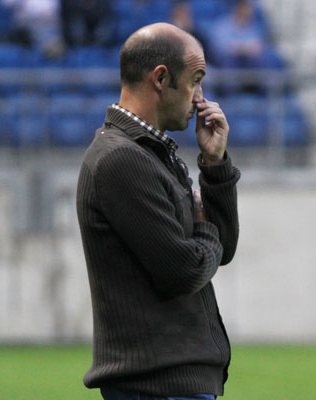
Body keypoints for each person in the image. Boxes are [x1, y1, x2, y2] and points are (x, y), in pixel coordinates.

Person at [76, 23, 240, 400]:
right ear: (162, 79)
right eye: (196, 80)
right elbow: (183, 272)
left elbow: (222, 249)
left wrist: (214, 166)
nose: (201, 98)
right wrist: (202, 231)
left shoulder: (152, 154)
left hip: (170, 385)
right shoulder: (121, 159)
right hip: (155, 387)